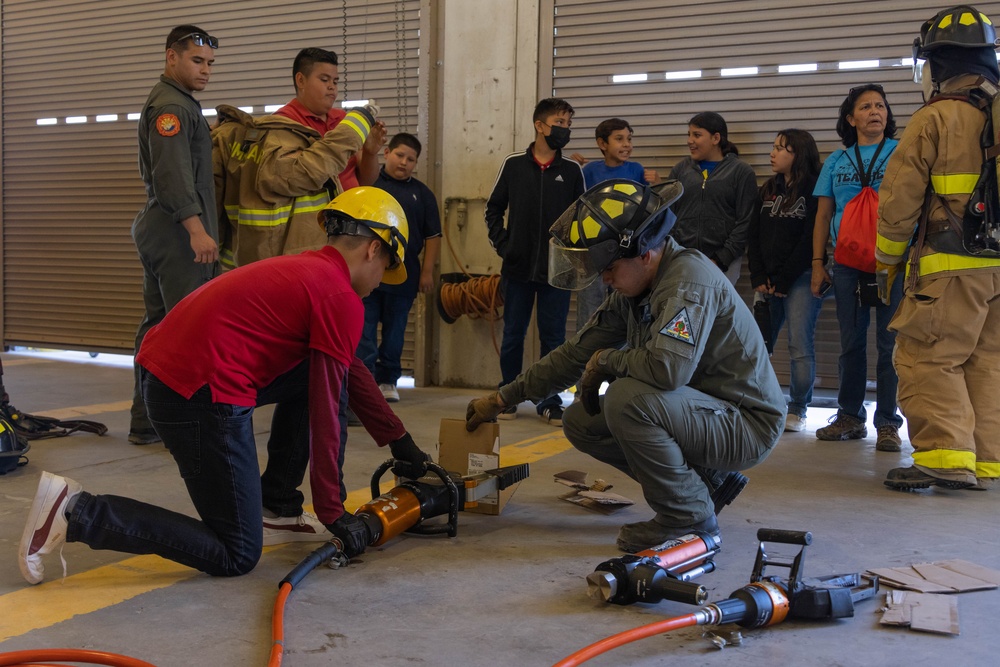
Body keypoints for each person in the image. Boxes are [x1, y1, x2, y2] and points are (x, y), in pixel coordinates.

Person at [18, 187, 432, 583]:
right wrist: (334, 513)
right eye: (387, 268)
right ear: (374, 247)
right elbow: (327, 412)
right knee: (236, 553)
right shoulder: (338, 295)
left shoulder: (311, 271)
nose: (382, 280)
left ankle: (279, 506)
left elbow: (347, 371)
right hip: (197, 396)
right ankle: (77, 512)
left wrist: (400, 442)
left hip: (171, 377)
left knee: (322, 372)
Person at [468, 180, 785, 553]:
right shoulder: (636, 289)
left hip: (746, 424)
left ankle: (689, 518)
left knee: (626, 399)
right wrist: (504, 398)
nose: (604, 278)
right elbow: (574, 354)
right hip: (704, 411)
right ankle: (708, 484)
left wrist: (607, 361)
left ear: (645, 254)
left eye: (610, 268)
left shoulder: (687, 282)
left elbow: (667, 371)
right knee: (581, 421)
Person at [877, 5, 1000, 491]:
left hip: (949, 268)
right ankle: (988, 459)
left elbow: (900, 199)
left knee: (927, 356)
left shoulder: (936, 118)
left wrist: (885, 261)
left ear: (936, 65)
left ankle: (946, 459)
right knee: (985, 361)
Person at [128, 25, 220, 446]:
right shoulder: (172, 108)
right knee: (187, 329)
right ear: (172, 57)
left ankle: (148, 421)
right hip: (178, 235)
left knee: (158, 328)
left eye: (210, 64)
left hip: (163, 229)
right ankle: (180, 423)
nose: (205, 71)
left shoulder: (179, 103)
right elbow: (173, 177)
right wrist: (197, 230)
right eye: (197, 61)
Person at [811, 84, 904, 452]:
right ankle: (850, 417)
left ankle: (888, 423)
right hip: (847, 264)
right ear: (851, 118)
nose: (875, 111)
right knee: (851, 343)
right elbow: (822, 216)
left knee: (889, 343)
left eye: (880, 105)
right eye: (865, 107)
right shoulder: (836, 160)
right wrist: (818, 263)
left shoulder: (902, 153)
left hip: (891, 262)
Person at [484, 98, 585, 426]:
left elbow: (581, 219)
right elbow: (493, 209)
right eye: (559, 122)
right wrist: (505, 246)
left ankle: (550, 400)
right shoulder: (513, 164)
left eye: (568, 125)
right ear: (540, 125)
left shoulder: (572, 171)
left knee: (554, 337)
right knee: (513, 332)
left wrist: (570, 257)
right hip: (517, 269)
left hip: (557, 272)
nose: (564, 130)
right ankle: (509, 395)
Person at [748, 130, 824, 432]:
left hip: (800, 279)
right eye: (774, 147)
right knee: (757, 345)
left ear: (799, 154)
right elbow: (753, 235)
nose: (773, 153)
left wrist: (782, 279)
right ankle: (760, 403)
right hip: (765, 282)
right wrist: (758, 275)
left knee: (799, 346)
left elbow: (809, 240)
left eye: (781, 148)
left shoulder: (814, 189)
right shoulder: (767, 188)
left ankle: (798, 408)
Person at [359, 133, 442, 402]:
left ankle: (388, 380)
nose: (404, 162)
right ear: (386, 153)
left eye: (411, 159)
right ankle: (364, 381)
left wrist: (427, 271)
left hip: (405, 276)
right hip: (367, 270)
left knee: (395, 331)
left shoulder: (423, 194)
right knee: (365, 330)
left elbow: (433, 236)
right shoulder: (369, 184)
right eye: (399, 155)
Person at [572, 118, 660, 343]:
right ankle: (584, 366)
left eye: (629, 139)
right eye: (619, 139)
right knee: (589, 309)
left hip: (625, 255)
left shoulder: (637, 170)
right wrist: (572, 167)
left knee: (625, 309)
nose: (627, 145)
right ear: (602, 144)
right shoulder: (589, 171)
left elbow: (649, 208)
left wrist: (656, 183)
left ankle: (618, 364)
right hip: (593, 254)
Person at [274, 47, 385, 190]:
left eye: (335, 82)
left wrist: (370, 153)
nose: (332, 87)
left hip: (351, 208)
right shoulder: (284, 122)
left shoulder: (344, 119)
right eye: (325, 80)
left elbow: (366, 182)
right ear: (301, 80)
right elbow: (292, 180)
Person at [668, 111, 757, 286]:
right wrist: (676, 252)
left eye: (697, 135)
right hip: (683, 259)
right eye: (689, 135)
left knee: (718, 312)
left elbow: (746, 221)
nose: (689, 141)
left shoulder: (741, 172)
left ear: (716, 138)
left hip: (724, 263)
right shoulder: (680, 171)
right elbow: (668, 215)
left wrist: (722, 258)